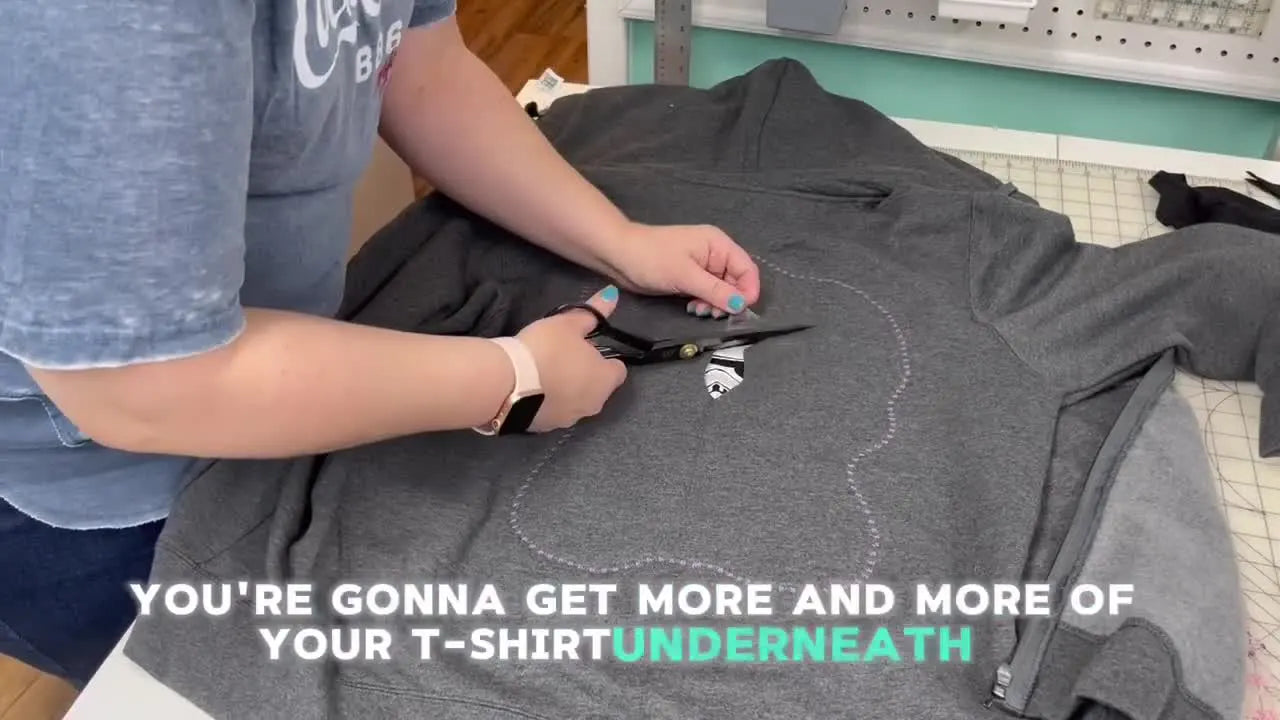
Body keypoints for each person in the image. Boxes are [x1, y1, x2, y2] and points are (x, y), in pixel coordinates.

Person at [0, 0, 761, 688]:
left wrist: (617, 242)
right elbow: (138, 384)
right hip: (94, 491)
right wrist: (514, 376)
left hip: (268, 385)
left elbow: (418, 68)